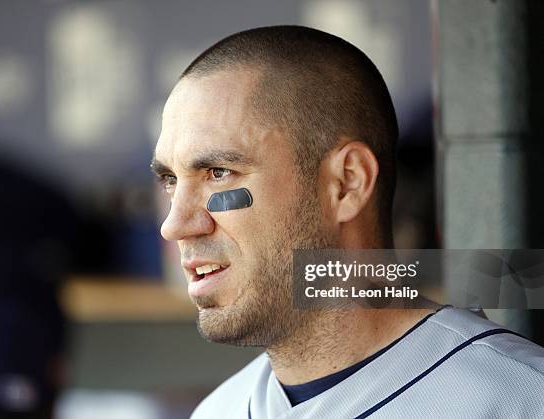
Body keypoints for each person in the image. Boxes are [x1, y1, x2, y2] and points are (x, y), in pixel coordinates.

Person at [151, 26, 544, 418]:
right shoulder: (218, 411)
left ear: (347, 183)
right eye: (170, 180)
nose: (174, 225)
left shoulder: (519, 398)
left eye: (218, 172)